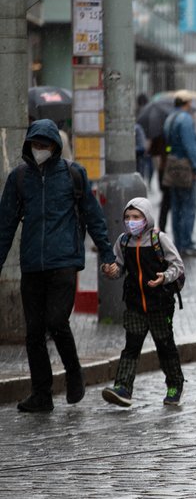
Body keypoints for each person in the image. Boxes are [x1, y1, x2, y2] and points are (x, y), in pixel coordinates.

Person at [0, 120, 117, 412]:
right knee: (34, 331)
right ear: (29, 145)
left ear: (55, 146)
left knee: (56, 321)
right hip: (32, 265)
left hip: (63, 261)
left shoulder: (73, 174)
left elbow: (94, 217)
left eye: (45, 144)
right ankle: (42, 394)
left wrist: (107, 254)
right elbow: (5, 226)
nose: (41, 149)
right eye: (36, 144)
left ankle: (74, 372)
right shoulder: (18, 178)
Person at [101, 198, 186, 408]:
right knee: (131, 347)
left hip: (160, 303)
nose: (131, 221)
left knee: (165, 346)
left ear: (146, 218)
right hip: (135, 304)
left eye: (136, 217)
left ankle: (175, 385)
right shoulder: (123, 241)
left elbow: (178, 266)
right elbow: (119, 267)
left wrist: (163, 278)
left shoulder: (159, 239)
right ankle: (123, 388)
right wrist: (110, 270)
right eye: (128, 218)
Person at [165, 96, 196, 258]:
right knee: (189, 206)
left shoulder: (170, 118)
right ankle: (187, 244)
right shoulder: (186, 120)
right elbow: (190, 145)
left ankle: (178, 242)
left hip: (173, 165)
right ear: (186, 103)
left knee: (177, 207)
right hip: (185, 167)